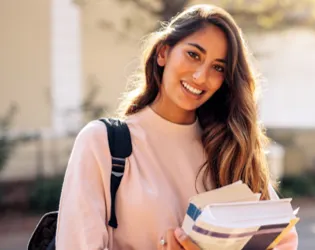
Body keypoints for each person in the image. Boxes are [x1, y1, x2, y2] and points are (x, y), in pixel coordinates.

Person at [55, 4, 298, 250]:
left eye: (218, 68)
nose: (201, 77)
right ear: (163, 53)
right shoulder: (102, 144)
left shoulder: (231, 149)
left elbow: (283, 242)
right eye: (194, 55)